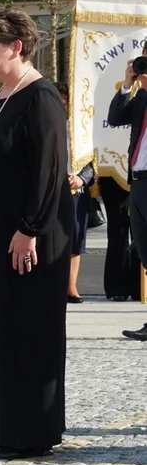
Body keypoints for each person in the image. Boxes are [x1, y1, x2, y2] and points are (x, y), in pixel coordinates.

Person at [0, 8, 74, 460]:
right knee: (4, 333)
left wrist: (28, 229)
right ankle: (12, 428)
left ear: (16, 47)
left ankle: (35, 432)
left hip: (33, 237)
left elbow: (50, 172)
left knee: (31, 332)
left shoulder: (40, 96)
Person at [108, 47, 147, 338]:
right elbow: (116, 116)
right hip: (138, 182)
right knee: (145, 252)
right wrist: (127, 84)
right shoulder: (140, 96)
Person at [54, 82, 94, 303]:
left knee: (75, 240)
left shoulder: (82, 128)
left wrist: (81, 178)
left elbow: (94, 158)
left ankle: (71, 287)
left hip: (76, 189)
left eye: (65, 102)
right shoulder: (44, 124)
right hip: (50, 190)